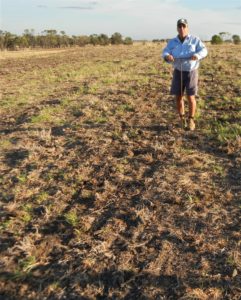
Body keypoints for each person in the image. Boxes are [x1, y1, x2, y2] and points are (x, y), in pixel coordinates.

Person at [162, 18, 208, 130]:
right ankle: (181, 118)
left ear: (187, 28)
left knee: (190, 96)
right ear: (177, 28)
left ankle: (191, 119)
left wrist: (197, 55)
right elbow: (165, 51)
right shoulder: (172, 42)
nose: (182, 28)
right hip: (178, 71)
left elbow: (204, 50)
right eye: (179, 26)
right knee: (178, 96)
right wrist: (167, 56)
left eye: (184, 26)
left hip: (191, 71)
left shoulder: (195, 40)